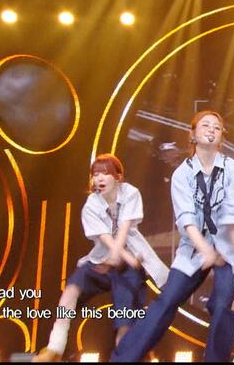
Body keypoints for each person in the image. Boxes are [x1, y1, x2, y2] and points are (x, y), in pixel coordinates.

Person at [111, 111, 234, 362]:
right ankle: (123, 359)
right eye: (205, 125)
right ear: (192, 134)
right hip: (193, 248)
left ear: (222, 137)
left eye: (217, 127)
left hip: (229, 249)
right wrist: (205, 250)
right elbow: (186, 219)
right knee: (167, 300)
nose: (211, 130)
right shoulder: (182, 174)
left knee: (222, 307)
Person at [33, 154, 169, 362]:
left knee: (125, 315)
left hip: (128, 264)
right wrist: (118, 256)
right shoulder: (91, 204)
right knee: (71, 290)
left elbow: (124, 227)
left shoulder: (130, 193)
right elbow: (105, 237)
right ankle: (55, 348)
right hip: (101, 260)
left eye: (105, 173)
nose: (100, 179)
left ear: (118, 177)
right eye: (96, 175)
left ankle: (125, 356)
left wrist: (126, 259)